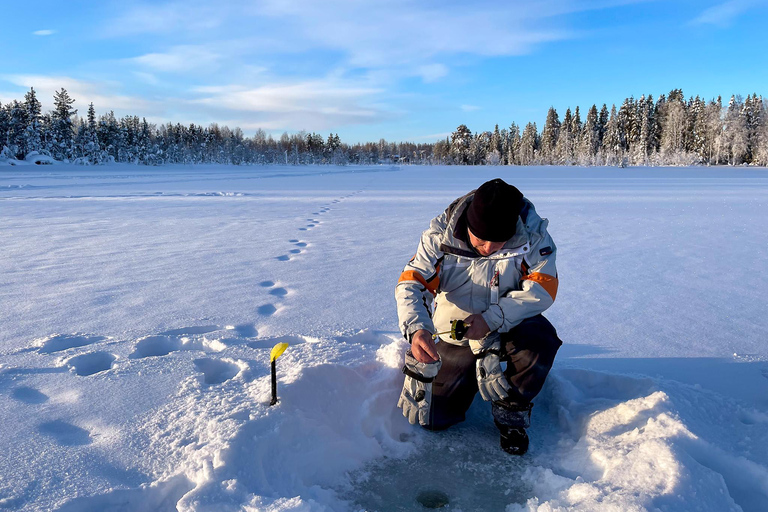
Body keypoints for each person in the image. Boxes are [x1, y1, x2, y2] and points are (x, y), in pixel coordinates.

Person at [395, 178, 562, 455]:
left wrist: (492, 319)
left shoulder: (533, 237)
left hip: (511, 322)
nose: (488, 248)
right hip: (456, 329)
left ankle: (511, 414)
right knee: (436, 418)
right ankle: (472, 371)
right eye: (481, 240)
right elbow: (412, 283)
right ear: (468, 226)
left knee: (540, 342)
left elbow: (543, 287)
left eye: (499, 242)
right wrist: (417, 330)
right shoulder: (439, 237)